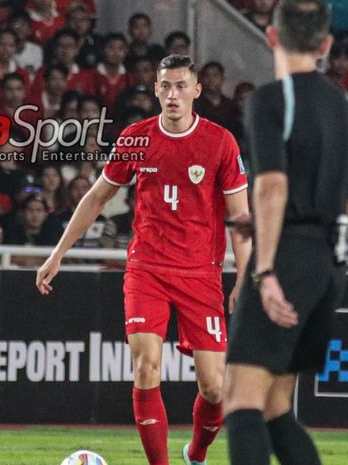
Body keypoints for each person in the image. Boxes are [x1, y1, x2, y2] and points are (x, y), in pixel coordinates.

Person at [37, 55, 251, 465]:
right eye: (165, 86)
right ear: (155, 89)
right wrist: (58, 253)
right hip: (147, 270)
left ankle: (196, 454)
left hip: (200, 274)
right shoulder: (135, 138)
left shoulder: (220, 142)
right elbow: (97, 196)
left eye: (181, 86)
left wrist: (243, 277)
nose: (173, 94)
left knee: (214, 388)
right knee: (145, 368)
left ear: (196, 91)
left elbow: (239, 215)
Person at [223, 2, 348, 465]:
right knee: (275, 405)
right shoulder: (345, 106)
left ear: (271, 37)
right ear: (324, 46)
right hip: (330, 263)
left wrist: (265, 269)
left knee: (240, 399)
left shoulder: (270, 100)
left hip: (287, 259)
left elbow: (274, 185)